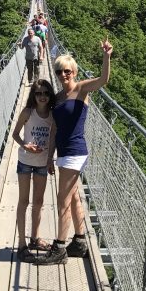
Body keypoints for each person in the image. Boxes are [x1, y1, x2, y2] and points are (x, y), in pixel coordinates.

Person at [35, 39, 112, 265]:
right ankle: (79, 242)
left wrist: (106, 56)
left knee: (63, 200)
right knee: (75, 197)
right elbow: (54, 128)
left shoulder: (81, 89)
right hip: (63, 152)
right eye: (59, 71)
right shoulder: (57, 98)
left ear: (74, 72)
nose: (62, 75)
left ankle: (59, 248)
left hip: (75, 151)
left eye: (67, 71)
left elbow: (103, 80)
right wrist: (49, 157)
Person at [12, 79, 57, 262]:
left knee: (38, 202)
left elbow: (53, 139)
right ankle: (22, 244)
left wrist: (50, 160)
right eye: (38, 93)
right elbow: (15, 134)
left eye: (46, 93)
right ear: (33, 95)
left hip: (41, 162)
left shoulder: (53, 116)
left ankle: (34, 239)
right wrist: (25, 145)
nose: (42, 97)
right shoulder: (28, 112)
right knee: (24, 201)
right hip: (25, 160)